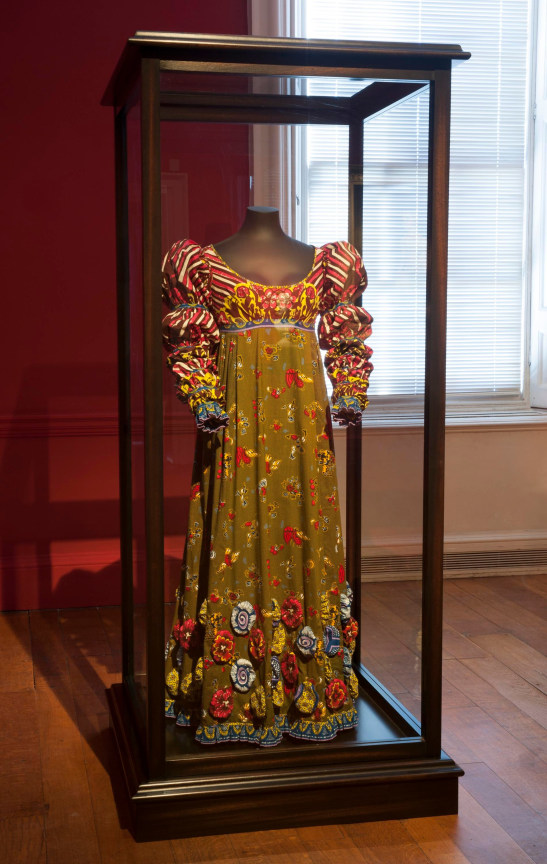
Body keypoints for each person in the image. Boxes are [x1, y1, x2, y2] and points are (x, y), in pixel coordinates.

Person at [162, 206, 373, 746]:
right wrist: (205, 397)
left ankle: (311, 678)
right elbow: (188, 343)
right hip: (236, 423)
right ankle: (232, 690)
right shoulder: (200, 263)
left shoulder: (331, 263)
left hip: (304, 427)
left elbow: (347, 336)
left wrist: (351, 390)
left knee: (305, 529)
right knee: (235, 531)